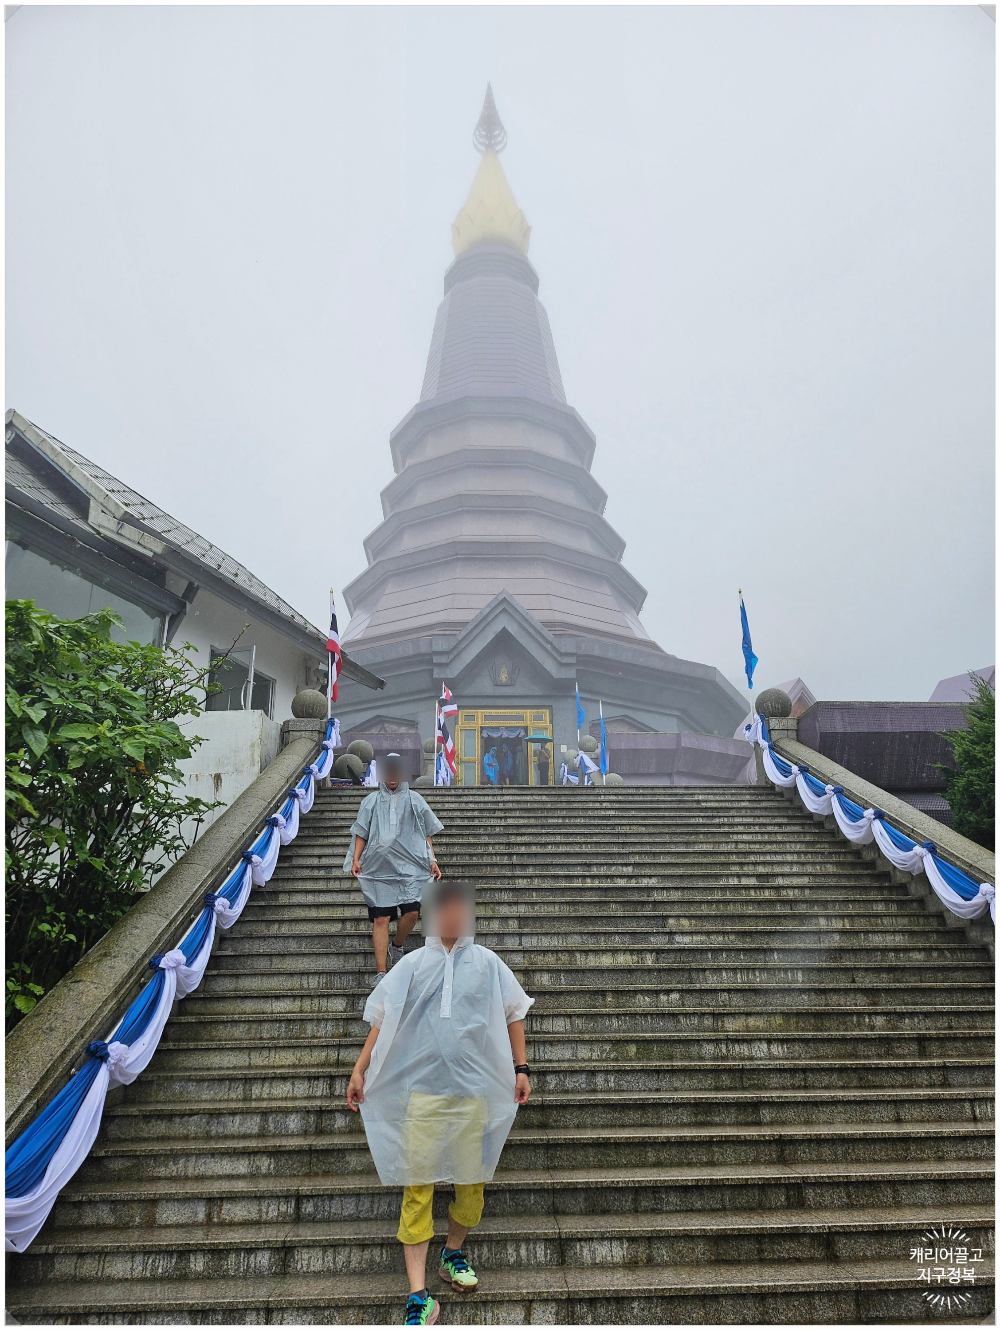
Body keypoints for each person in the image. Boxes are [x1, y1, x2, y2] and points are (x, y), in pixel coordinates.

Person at [347, 879, 533, 1326]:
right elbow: (382, 1016)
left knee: (472, 1186)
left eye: (459, 910)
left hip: (474, 1095)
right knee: (418, 1187)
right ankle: (418, 1295)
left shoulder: (488, 964)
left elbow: (514, 1013)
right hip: (423, 1096)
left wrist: (521, 1068)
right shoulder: (412, 964)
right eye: (443, 910)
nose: (451, 917)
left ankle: (453, 1253)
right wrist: (360, 1067)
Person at [346, 752, 444, 989]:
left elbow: (425, 833)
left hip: (410, 868)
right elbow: (361, 832)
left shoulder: (415, 800)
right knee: (381, 918)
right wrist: (356, 859)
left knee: (411, 912)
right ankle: (381, 971)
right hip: (379, 869)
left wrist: (432, 860)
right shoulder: (370, 801)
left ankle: (397, 944)